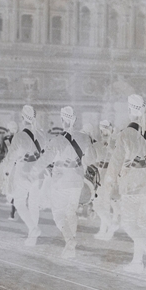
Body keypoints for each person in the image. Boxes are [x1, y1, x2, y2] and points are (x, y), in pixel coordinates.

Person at [101, 95, 146, 273]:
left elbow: (115, 163)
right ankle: (137, 262)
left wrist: (108, 184)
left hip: (132, 186)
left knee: (129, 223)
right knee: (140, 224)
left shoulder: (125, 134)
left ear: (129, 111)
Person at [34, 106, 95, 258]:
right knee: (71, 212)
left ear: (62, 120)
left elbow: (44, 161)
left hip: (61, 181)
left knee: (58, 214)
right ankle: (70, 249)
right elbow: (93, 158)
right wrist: (78, 162)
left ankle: (69, 240)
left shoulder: (57, 141)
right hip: (77, 181)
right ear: (75, 120)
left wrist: (32, 171)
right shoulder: (85, 138)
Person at [3, 105, 45, 245]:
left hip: (23, 171)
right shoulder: (40, 135)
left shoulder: (19, 136)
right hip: (38, 172)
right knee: (34, 204)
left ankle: (33, 228)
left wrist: (7, 172)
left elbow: (11, 157)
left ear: (22, 119)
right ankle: (32, 239)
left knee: (19, 202)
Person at [90, 120, 118, 240]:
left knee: (102, 205)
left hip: (109, 176)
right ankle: (106, 230)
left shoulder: (116, 145)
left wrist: (112, 150)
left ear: (111, 131)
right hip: (98, 176)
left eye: (106, 130)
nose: (104, 132)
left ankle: (108, 229)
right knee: (98, 205)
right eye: (102, 130)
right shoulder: (96, 145)